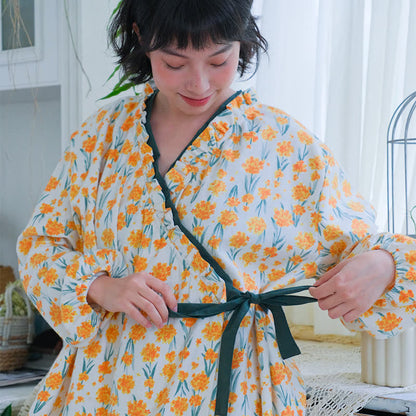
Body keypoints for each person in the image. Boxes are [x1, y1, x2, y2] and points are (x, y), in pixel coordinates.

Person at [16, 0, 416, 415]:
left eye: (219, 60)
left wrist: (384, 264)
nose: (199, 83)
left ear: (241, 41)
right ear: (141, 38)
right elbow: (40, 246)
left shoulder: (284, 145)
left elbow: (359, 249)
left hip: (236, 384)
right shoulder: (100, 138)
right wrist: (101, 287)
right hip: (106, 386)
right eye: (175, 63)